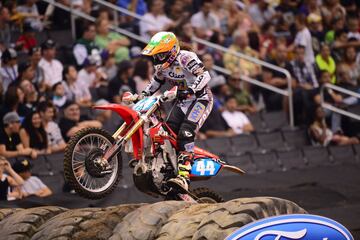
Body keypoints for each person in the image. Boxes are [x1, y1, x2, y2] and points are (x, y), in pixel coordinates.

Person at [140, 31, 213, 191]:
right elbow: (156, 82)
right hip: (182, 101)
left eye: (161, 54)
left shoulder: (185, 57)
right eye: (156, 55)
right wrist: (143, 95)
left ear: (171, 51)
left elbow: (205, 75)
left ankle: (184, 176)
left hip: (200, 99)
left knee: (186, 132)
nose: (158, 59)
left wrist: (192, 89)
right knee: (167, 133)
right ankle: (168, 169)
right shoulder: (160, 66)